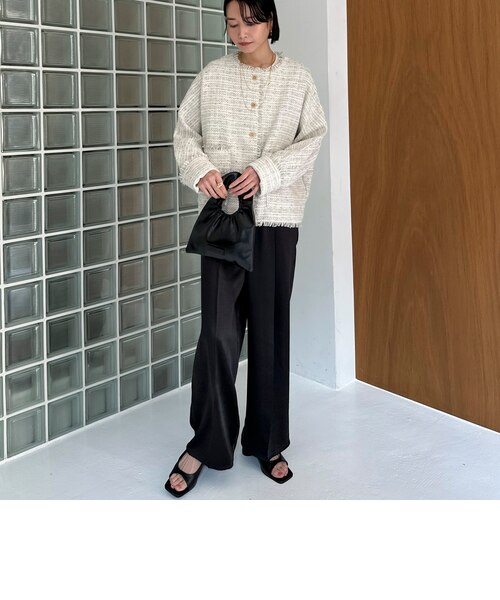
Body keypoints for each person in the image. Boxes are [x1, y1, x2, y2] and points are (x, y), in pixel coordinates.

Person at [165, 0, 327, 498]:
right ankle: (206, 442)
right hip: (223, 221)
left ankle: (268, 441)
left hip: (276, 222)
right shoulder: (212, 77)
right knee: (217, 334)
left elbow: (312, 139)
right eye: (233, 23)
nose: (241, 32)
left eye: (251, 21)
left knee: (270, 334)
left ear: (271, 22)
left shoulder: (298, 80)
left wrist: (267, 172)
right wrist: (201, 170)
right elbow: (184, 134)